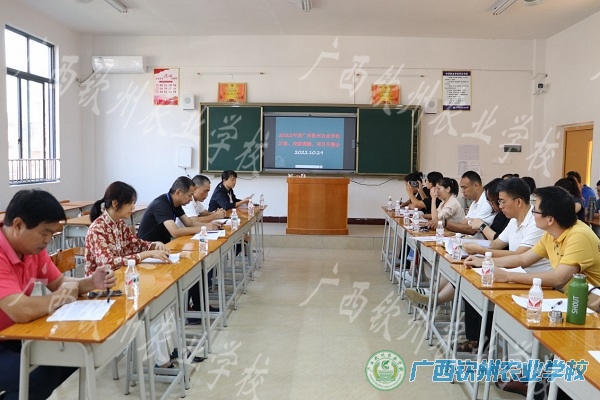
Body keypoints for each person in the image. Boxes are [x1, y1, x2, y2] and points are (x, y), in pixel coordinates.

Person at [0, 190, 115, 399]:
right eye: (44, 233)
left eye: (52, 234)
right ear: (18, 225)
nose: (48, 240)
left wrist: (91, 282)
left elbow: (60, 283)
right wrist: (61, 298)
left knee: (71, 355)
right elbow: (21, 310)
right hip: (8, 338)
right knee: (39, 376)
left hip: (13, 335)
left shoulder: (32, 250)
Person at [460, 178, 552, 353]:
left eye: (502, 201)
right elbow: (496, 245)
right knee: (473, 284)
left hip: (536, 283)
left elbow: (519, 256)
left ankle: (484, 341)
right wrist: (477, 250)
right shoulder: (513, 220)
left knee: (486, 291)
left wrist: (482, 254)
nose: (500, 206)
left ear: (518, 202)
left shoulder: (535, 222)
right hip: (516, 275)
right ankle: (478, 339)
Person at [474, 186, 600, 289]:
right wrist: (486, 262)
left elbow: (558, 279)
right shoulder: (550, 234)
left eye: (535, 211)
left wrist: (508, 276)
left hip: (588, 305)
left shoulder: (579, 236)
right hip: (567, 297)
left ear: (550, 219)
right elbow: (523, 259)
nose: (532, 214)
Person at [85, 181, 171, 275]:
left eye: (133, 203)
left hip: (120, 276)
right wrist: (149, 254)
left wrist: (155, 245)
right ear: (115, 203)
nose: (133, 207)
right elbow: (109, 263)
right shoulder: (97, 229)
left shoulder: (120, 224)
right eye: (130, 203)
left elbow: (135, 245)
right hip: (101, 282)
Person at [138, 176, 220, 244]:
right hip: (148, 246)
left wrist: (209, 225)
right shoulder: (161, 205)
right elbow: (175, 232)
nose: (191, 199)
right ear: (178, 192)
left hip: (163, 244)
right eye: (189, 195)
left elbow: (189, 223)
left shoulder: (176, 203)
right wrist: (203, 228)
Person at [446, 171, 496, 237]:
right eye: (462, 188)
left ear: (476, 185)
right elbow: (465, 222)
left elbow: (472, 230)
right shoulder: (474, 203)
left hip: (480, 242)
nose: (462, 191)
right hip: (470, 240)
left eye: (464, 188)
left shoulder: (487, 202)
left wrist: (446, 224)